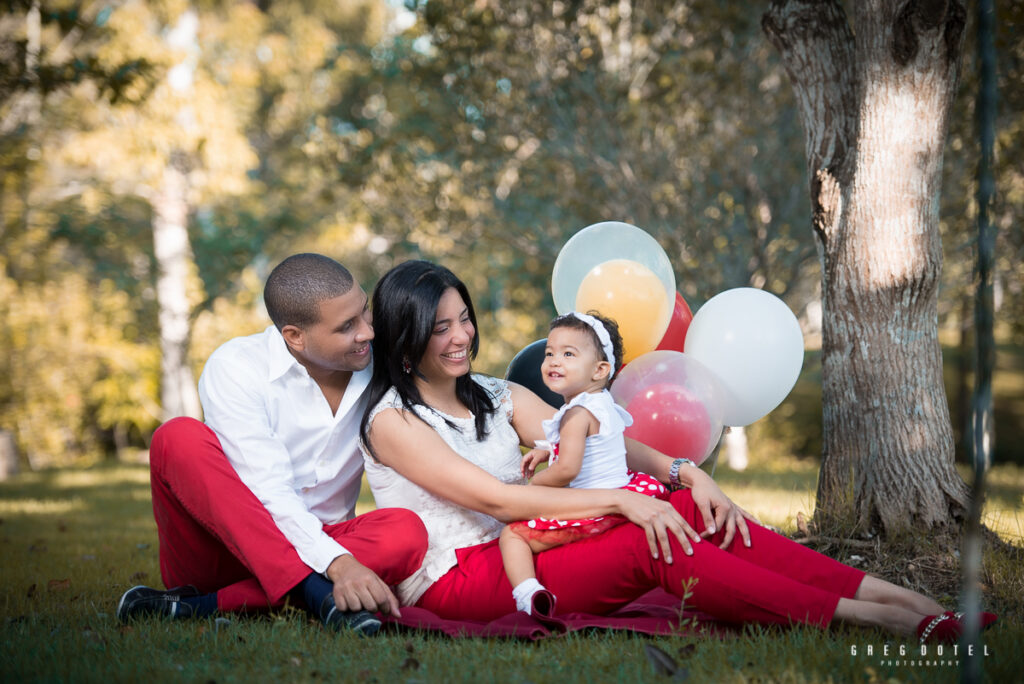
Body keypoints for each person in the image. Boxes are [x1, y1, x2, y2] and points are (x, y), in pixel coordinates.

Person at [358, 259, 993, 644]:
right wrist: (625, 504)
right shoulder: (391, 422)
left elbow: (601, 435)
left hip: (530, 541)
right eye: (440, 327)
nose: (462, 334)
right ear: (406, 338)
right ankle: (875, 621)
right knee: (647, 536)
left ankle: (908, 601)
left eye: (464, 317)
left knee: (683, 511)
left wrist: (685, 474)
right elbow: (492, 499)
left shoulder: (496, 394)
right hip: (461, 577)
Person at [116, 253, 428, 636]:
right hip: (225, 549)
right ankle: (316, 593)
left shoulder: (379, 367)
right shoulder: (237, 367)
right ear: (295, 337)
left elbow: (457, 399)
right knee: (177, 437)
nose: (368, 332)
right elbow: (269, 493)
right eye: (347, 326)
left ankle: (198, 607)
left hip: (328, 541)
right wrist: (338, 566)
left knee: (406, 532)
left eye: (365, 312)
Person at [499, 310, 669, 614]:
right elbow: (590, 448)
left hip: (597, 509)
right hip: (626, 490)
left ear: (599, 369)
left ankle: (528, 595)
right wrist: (547, 450)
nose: (553, 361)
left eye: (568, 354)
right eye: (549, 352)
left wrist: (534, 486)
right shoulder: (600, 404)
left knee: (512, 535)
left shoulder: (576, 415)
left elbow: (568, 470)